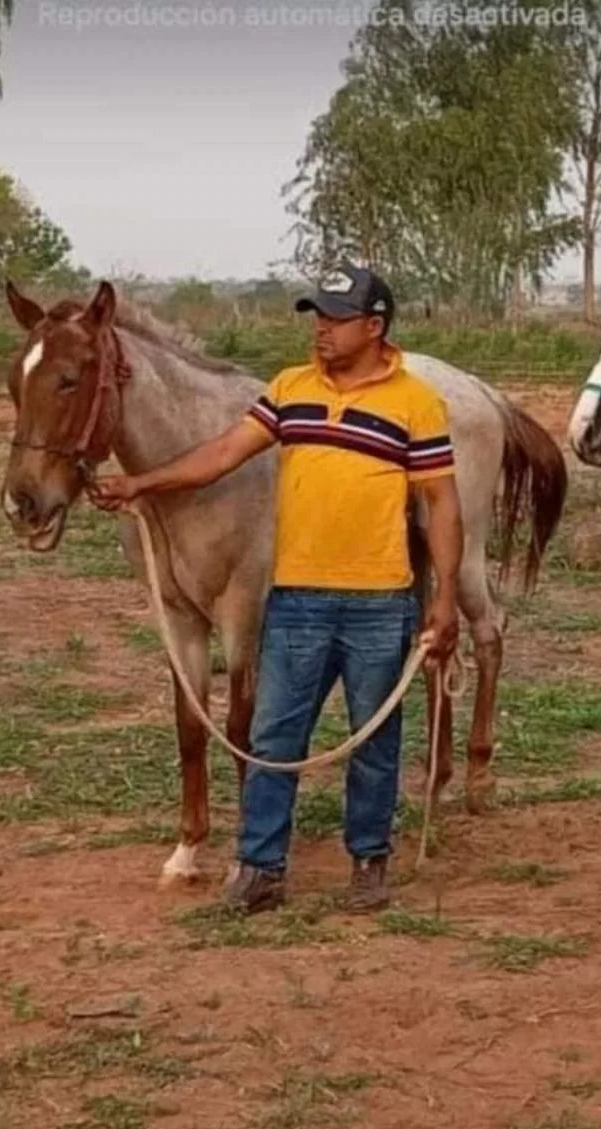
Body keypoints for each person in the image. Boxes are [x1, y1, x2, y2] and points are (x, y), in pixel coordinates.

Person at [89, 263, 462, 915]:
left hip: (381, 603)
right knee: (271, 737)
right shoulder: (291, 389)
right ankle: (261, 867)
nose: (321, 329)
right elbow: (222, 454)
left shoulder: (416, 403)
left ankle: (369, 861)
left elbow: (442, 502)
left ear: (374, 327)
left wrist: (446, 595)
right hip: (296, 601)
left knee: (374, 742)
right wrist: (141, 484)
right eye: (317, 315)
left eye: (336, 319)